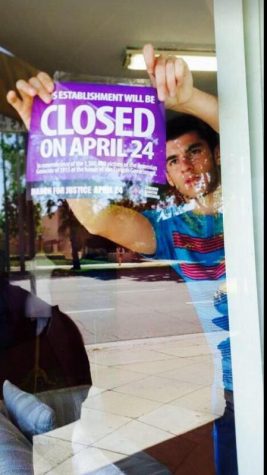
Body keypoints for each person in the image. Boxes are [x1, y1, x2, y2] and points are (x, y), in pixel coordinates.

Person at [7, 43, 237, 474]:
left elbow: (252, 145)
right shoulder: (173, 226)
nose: (186, 166)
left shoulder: (249, 198)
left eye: (194, 151)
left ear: (217, 154)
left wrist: (190, 99)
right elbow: (98, 218)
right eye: (173, 159)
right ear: (165, 173)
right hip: (233, 390)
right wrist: (52, 136)